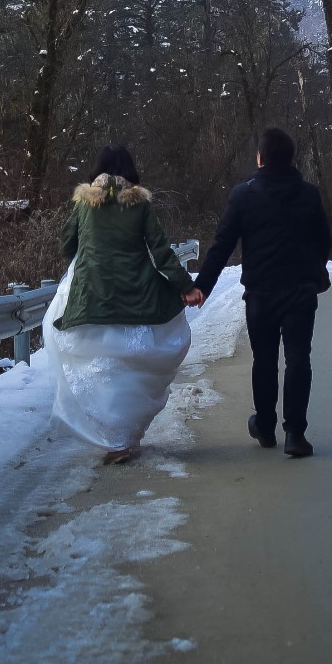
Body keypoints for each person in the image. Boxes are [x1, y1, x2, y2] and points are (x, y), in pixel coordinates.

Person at [42, 144, 204, 465]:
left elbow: (66, 245)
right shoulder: (140, 205)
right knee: (131, 366)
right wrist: (186, 287)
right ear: (131, 172)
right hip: (136, 295)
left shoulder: (84, 204)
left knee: (99, 366)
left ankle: (114, 439)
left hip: (91, 295)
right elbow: (160, 251)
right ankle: (123, 439)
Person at [194, 127, 331, 458]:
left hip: (260, 294)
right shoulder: (309, 194)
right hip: (300, 291)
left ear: (260, 158)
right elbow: (323, 242)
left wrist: (201, 287)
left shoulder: (244, 195)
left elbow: (222, 245)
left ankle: (266, 426)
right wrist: (312, 271)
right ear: (291, 158)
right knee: (299, 358)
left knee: (265, 359)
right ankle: (295, 434)